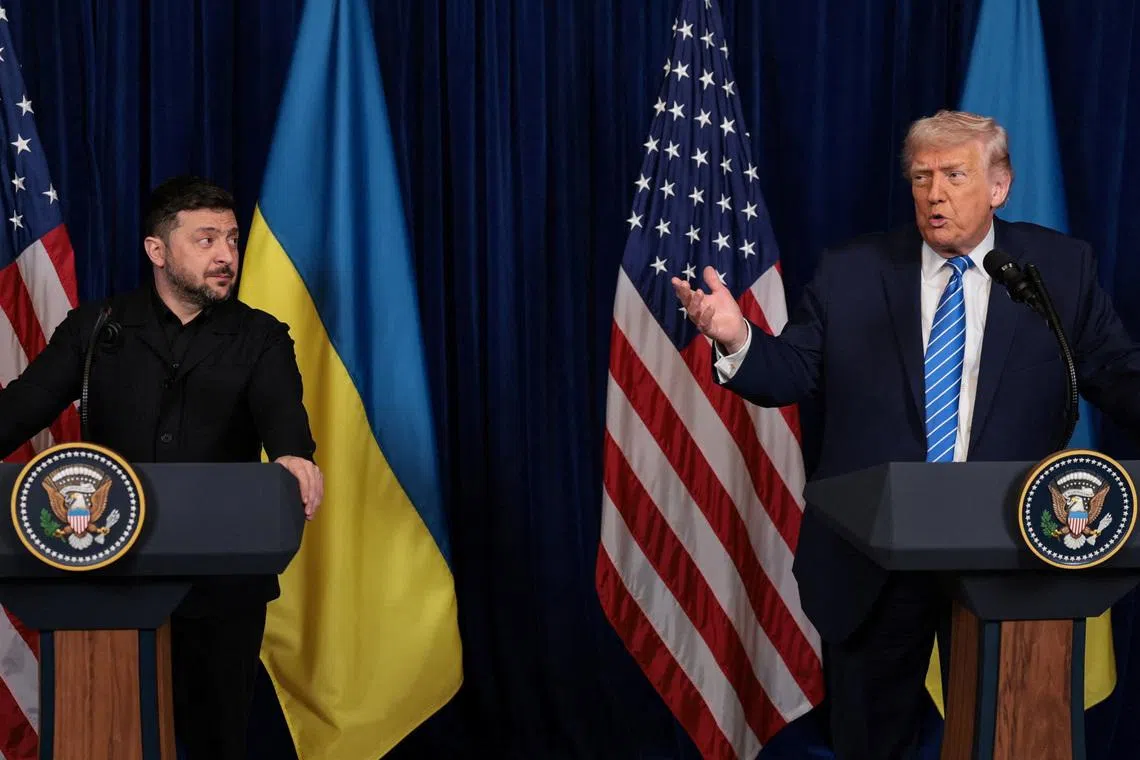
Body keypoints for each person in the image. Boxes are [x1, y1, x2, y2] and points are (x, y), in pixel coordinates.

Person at [672, 110, 1140, 758]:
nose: (934, 193)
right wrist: (738, 339)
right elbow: (790, 372)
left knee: (1010, 737)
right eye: (921, 177)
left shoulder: (1056, 270)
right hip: (875, 562)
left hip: (1009, 555)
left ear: (998, 186)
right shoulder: (852, 272)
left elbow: (1116, 374)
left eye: (954, 174)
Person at [0, 175, 324, 759]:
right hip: (106, 580)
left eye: (231, 238)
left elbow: (284, 422)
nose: (226, 254)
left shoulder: (261, 337)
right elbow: (16, 412)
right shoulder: (96, 331)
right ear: (158, 251)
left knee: (214, 744)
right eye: (205, 240)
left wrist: (295, 457)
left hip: (223, 589)